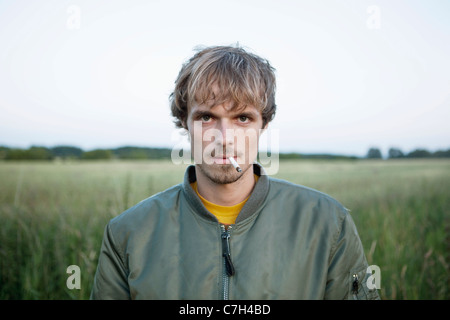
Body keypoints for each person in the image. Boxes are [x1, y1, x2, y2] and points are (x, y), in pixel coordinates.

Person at [90, 45, 380, 300]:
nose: (224, 137)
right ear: (184, 122)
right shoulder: (128, 233)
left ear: (263, 124)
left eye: (242, 117)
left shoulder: (328, 223)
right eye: (206, 117)